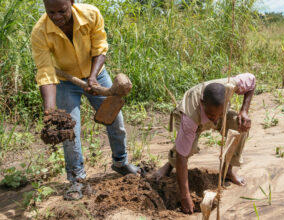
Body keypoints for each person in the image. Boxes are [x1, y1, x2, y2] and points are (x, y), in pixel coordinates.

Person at [31, 0, 139, 200]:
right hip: (65, 82)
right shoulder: (40, 31)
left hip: (96, 75)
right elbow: (46, 73)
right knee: (70, 132)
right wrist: (51, 112)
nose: (56, 17)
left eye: (62, 10)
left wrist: (92, 77)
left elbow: (99, 47)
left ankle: (120, 163)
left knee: (116, 121)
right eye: (50, 12)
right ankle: (76, 180)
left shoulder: (91, 14)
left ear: (72, 2)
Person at [154, 73, 256, 214]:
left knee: (240, 127)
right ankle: (169, 165)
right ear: (202, 103)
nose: (214, 120)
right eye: (211, 116)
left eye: (219, 115)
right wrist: (185, 196)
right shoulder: (189, 118)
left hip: (213, 110)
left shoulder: (231, 85)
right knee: (186, 149)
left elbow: (252, 81)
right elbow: (182, 157)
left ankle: (228, 171)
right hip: (192, 117)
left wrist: (244, 110)